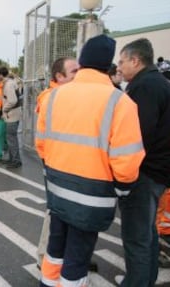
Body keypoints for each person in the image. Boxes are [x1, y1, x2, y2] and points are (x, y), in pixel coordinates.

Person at [36, 35, 145, 287]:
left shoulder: (52, 96)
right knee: (77, 257)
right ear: (109, 65)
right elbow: (127, 161)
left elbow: (41, 145)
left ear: (83, 62)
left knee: (55, 249)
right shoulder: (120, 101)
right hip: (92, 196)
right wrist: (122, 189)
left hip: (57, 189)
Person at [115, 38, 170, 286]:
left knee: (136, 236)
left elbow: (137, 135)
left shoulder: (144, 87)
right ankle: (145, 279)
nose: (119, 67)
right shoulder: (159, 83)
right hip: (159, 172)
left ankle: (136, 282)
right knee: (148, 232)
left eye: (122, 61)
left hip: (145, 173)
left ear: (135, 60)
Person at [35, 57, 79, 268]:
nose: (79, 75)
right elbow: (44, 140)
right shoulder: (52, 98)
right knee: (57, 211)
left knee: (64, 211)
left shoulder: (64, 95)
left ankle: (62, 256)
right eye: (73, 72)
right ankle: (46, 256)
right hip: (56, 165)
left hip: (66, 164)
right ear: (59, 77)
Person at [0, 67, 22, 169]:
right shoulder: (11, 82)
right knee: (11, 138)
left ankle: (16, 161)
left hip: (12, 114)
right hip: (14, 114)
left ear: (0, 74)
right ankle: (13, 159)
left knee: (11, 139)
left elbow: (12, 101)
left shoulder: (8, 84)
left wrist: (4, 109)